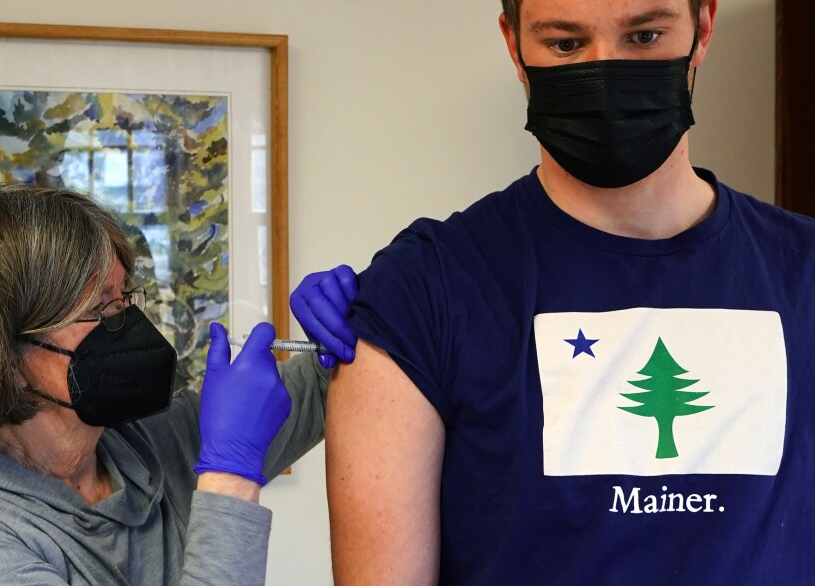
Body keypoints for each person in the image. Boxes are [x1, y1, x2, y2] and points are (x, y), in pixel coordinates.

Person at [326, 0, 815, 583]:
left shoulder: (802, 270)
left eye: (645, 36)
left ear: (702, 28)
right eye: (565, 44)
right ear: (515, 47)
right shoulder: (425, 289)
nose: (605, 71)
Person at [0, 183, 357, 585]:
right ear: (6, 355)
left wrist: (357, 312)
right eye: (99, 308)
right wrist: (229, 473)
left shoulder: (154, 443)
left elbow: (331, 381)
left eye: (123, 299)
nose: (127, 324)